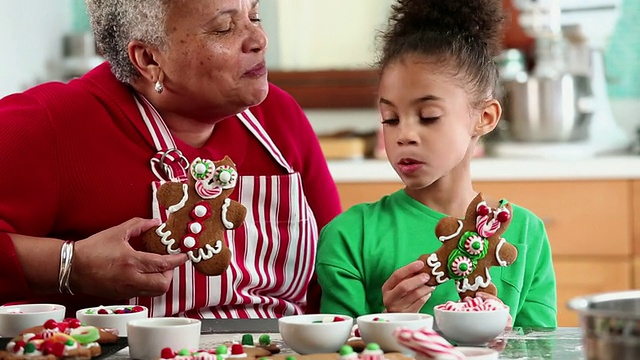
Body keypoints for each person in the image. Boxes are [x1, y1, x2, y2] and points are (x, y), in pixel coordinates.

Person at [0, 0, 341, 318]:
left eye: (254, 16)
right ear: (149, 59)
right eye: (224, 28)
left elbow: (336, 266)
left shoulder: (280, 118)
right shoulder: (52, 121)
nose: (258, 39)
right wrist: (71, 266)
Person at [314, 0, 557, 327]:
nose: (404, 135)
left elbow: (542, 348)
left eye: (428, 117)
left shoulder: (527, 234)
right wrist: (389, 323)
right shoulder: (349, 236)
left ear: (484, 118)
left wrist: (503, 334)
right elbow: (333, 348)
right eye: (390, 119)